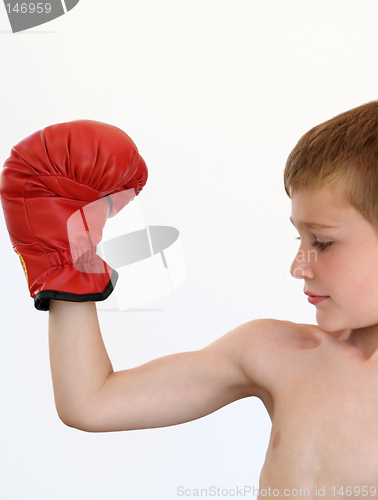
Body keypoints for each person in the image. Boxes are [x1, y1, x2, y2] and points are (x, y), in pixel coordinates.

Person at [2, 105, 378, 499]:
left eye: (323, 242)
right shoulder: (278, 354)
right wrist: (64, 256)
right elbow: (90, 402)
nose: (299, 266)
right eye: (298, 239)